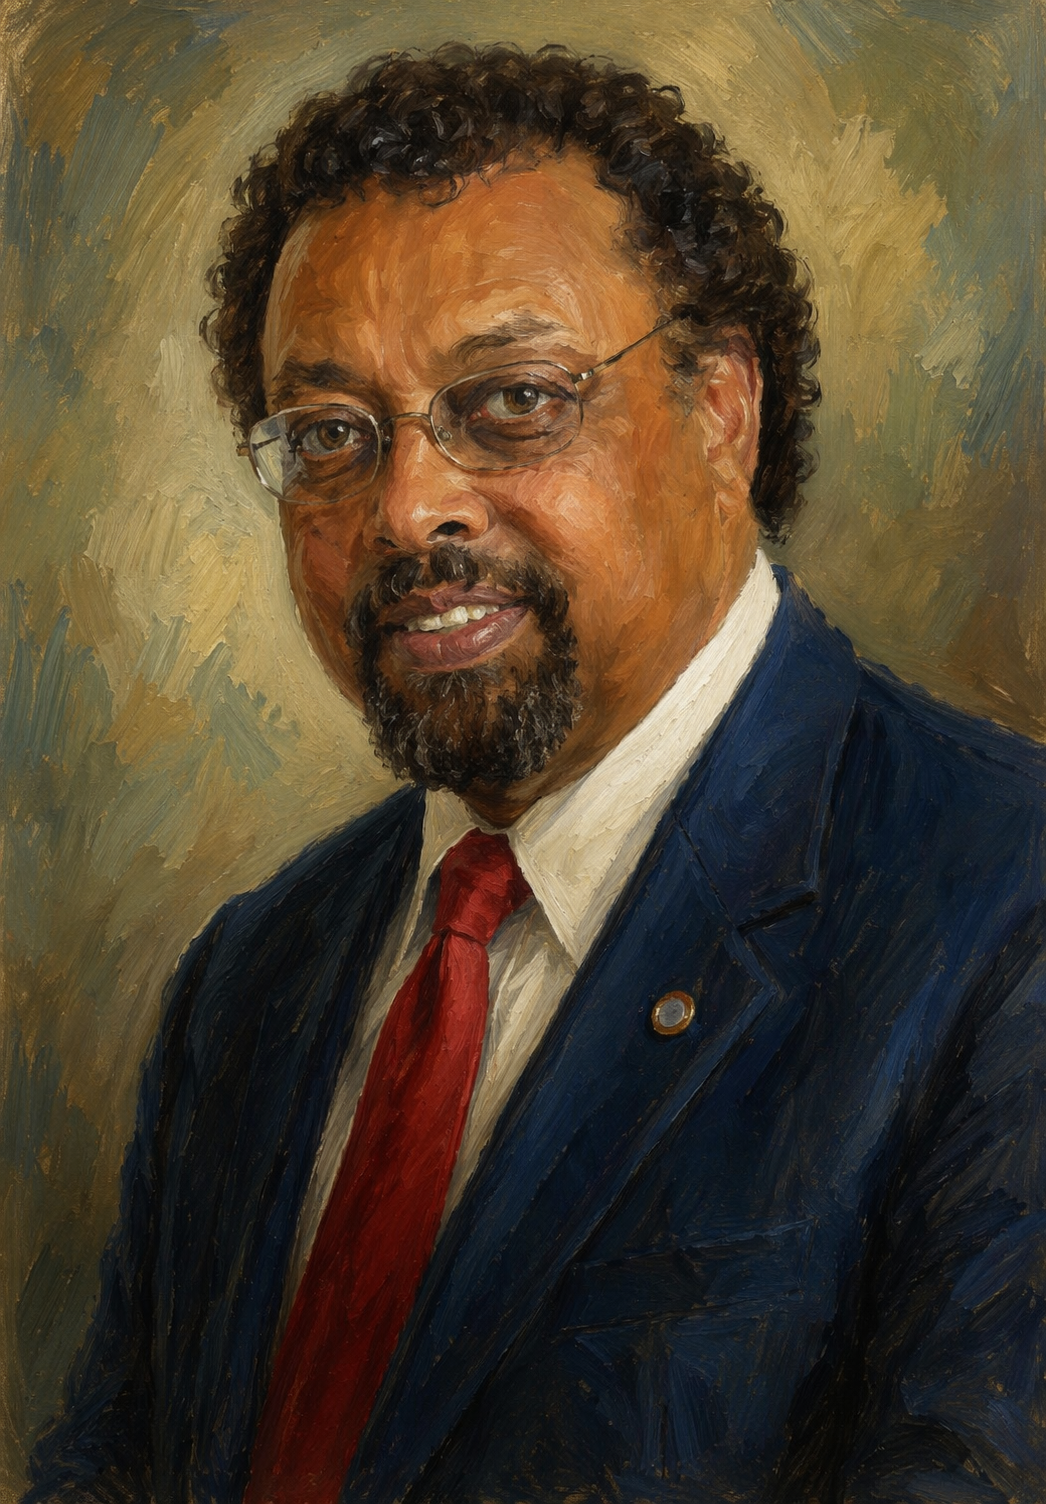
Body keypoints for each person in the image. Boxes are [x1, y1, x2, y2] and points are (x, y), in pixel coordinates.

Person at [26, 43, 1045, 1504]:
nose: (405, 505)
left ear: (721, 413)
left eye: (509, 400)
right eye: (328, 434)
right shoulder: (254, 981)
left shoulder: (1000, 909)